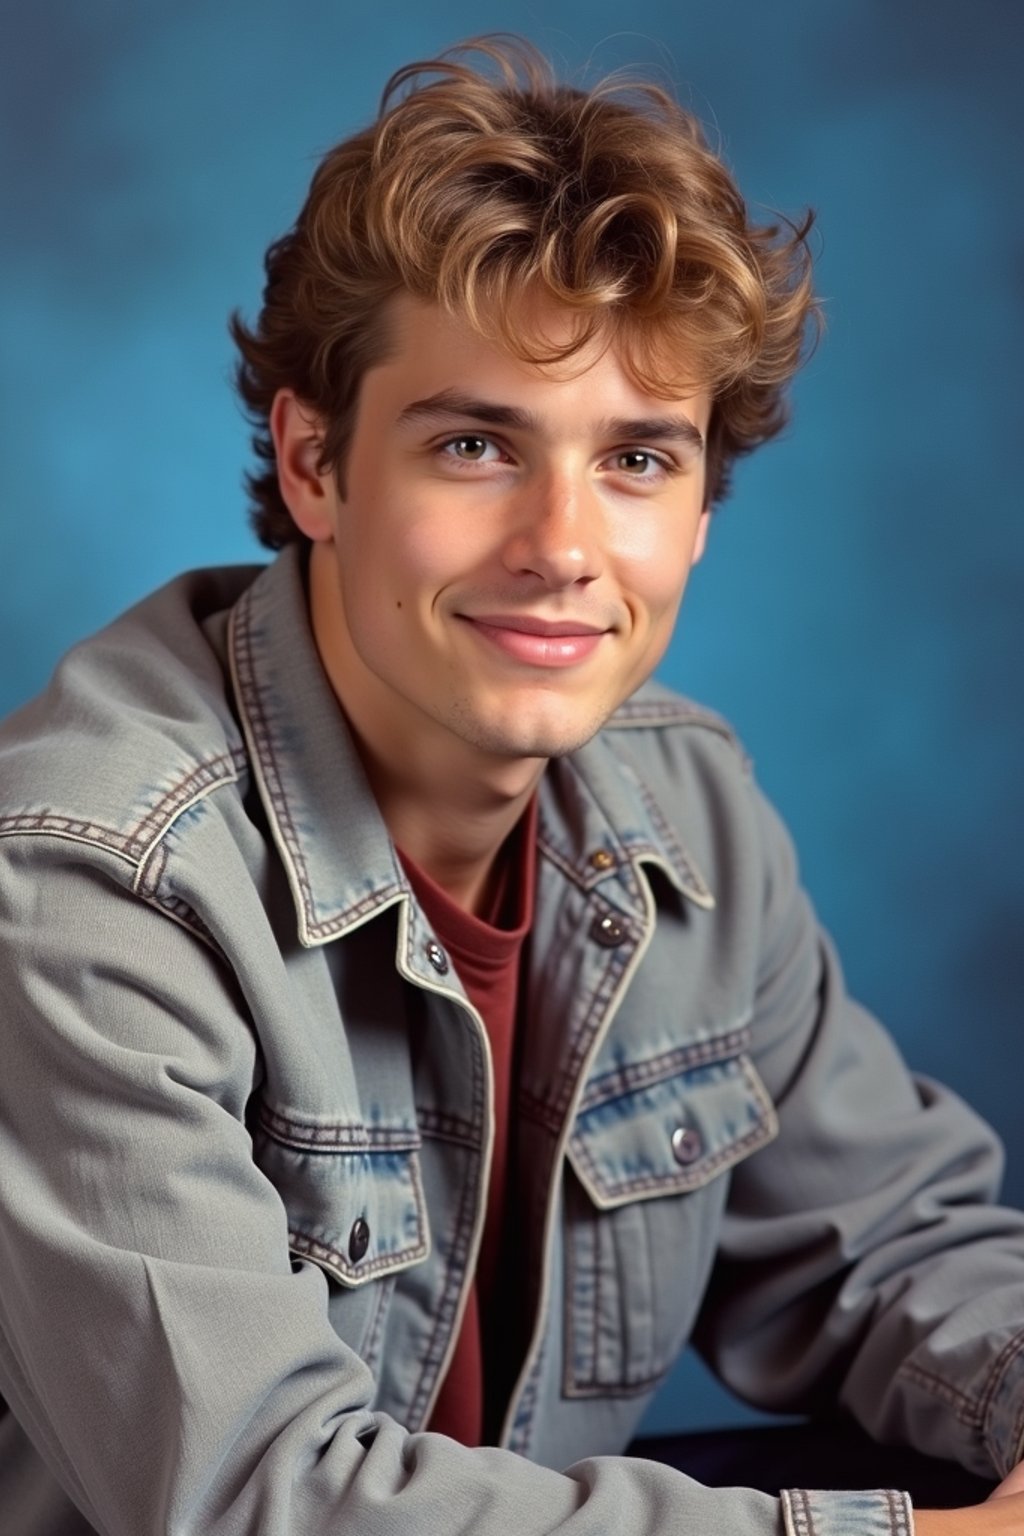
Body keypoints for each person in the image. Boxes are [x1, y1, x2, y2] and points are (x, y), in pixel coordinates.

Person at [0, 34, 1021, 1536]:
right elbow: (255, 1501)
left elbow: (892, 1246)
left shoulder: (689, 809)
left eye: (637, 461)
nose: (562, 543)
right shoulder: (88, 875)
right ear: (314, 466)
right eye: (476, 444)